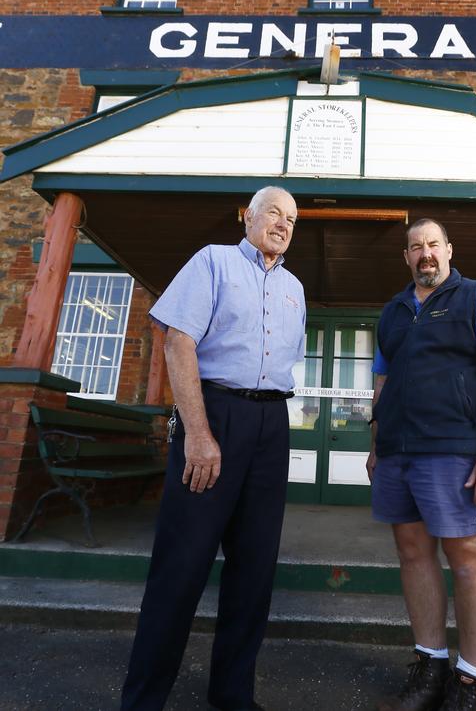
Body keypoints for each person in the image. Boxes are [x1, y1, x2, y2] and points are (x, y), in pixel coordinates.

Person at [121, 186, 305, 711]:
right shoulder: (214, 261)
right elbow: (178, 341)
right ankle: (142, 701)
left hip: (272, 423)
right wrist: (198, 433)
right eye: (274, 212)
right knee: (182, 566)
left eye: (291, 218)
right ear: (248, 216)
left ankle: (232, 696)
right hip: (215, 413)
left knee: (254, 571)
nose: (283, 223)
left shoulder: (295, 287)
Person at [367, 218, 476, 711]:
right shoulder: (392, 311)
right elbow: (382, 386)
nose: (425, 253)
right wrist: (376, 446)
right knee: (413, 554)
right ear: (406, 257)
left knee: (468, 557)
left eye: (433, 244)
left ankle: (471, 681)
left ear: (449, 250)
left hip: (454, 450)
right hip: (398, 453)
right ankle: (430, 668)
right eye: (416, 247)